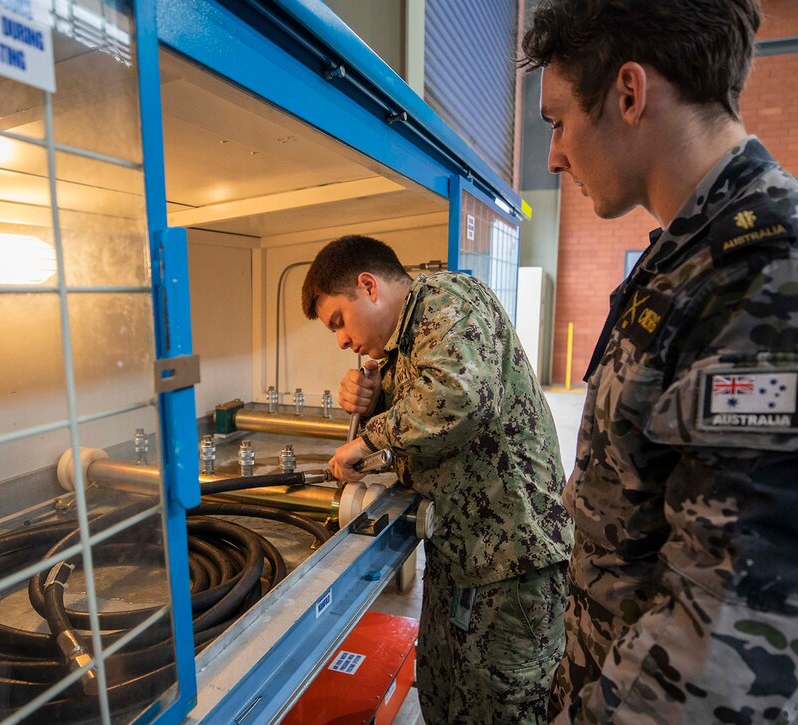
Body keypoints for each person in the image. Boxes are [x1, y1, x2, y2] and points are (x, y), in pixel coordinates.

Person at [521, 0, 798, 721]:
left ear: (629, 93)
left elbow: (722, 641)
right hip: (599, 664)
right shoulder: (686, 258)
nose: (552, 154)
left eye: (557, 121)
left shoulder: (766, 275)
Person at [301, 235, 572, 723]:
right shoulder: (404, 346)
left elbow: (457, 399)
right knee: (445, 696)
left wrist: (365, 442)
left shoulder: (449, 302)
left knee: (500, 706)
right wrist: (372, 400)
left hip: (513, 562)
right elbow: (423, 432)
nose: (340, 339)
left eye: (339, 320)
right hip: (462, 556)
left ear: (368, 286)